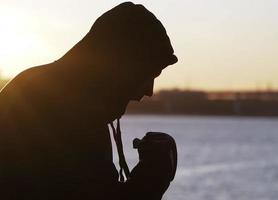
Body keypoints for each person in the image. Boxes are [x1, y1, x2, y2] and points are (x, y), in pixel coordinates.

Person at [0, 2, 177, 200]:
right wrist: (152, 178)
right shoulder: (70, 112)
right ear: (125, 67)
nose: (149, 91)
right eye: (148, 75)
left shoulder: (40, 87)